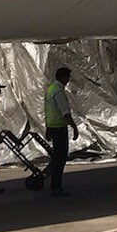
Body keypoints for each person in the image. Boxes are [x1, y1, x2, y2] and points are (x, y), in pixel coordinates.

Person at [44, 66, 79, 197]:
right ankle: (56, 186)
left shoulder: (50, 90)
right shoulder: (58, 91)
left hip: (52, 127)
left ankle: (55, 184)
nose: (69, 79)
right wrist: (74, 128)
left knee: (57, 158)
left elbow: (47, 111)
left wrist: (48, 128)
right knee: (60, 158)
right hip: (59, 129)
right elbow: (65, 113)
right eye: (68, 77)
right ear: (63, 77)